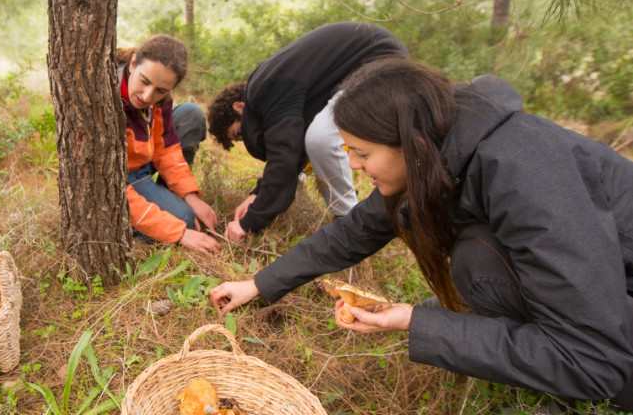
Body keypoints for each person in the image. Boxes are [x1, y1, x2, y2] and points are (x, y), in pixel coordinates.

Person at [209, 58, 633, 410]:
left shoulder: (528, 176)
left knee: (476, 264)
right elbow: (356, 230)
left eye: (362, 153)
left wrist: (417, 321)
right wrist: (258, 284)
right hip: (601, 311)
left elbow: (594, 358)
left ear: (410, 144)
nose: (353, 165)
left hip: (609, 344)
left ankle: (566, 390)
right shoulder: (444, 147)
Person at [207, 22, 408, 242]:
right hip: (372, 66)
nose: (247, 139)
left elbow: (284, 161)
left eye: (239, 133)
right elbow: (292, 150)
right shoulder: (274, 88)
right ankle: (351, 219)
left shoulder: (264, 91)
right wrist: (257, 195)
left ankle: (351, 224)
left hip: (380, 63)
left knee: (321, 139)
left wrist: (249, 223)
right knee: (315, 137)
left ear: (239, 107)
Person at [118, 34, 220, 254]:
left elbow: (166, 150)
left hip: (142, 163)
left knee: (190, 113)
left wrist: (189, 195)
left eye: (161, 90)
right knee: (182, 219)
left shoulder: (160, 97)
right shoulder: (106, 99)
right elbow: (111, 188)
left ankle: (167, 201)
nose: (147, 96)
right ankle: (125, 226)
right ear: (133, 63)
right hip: (120, 178)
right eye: (144, 81)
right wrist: (178, 232)